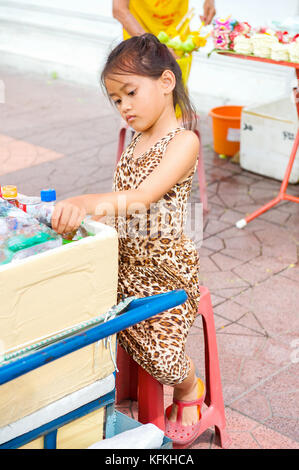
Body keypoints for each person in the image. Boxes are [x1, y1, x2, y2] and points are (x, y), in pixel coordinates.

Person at [51, 33, 205, 448]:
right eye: (117, 100)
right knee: (77, 312)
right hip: (122, 263)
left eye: (131, 93)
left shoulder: (183, 142)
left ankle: (190, 388)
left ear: (167, 82)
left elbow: (139, 199)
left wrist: (84, 202)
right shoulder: (135, 143)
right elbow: (118, 205)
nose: (125, 107)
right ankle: (109, 389)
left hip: (164, 273)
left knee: (164, 359)